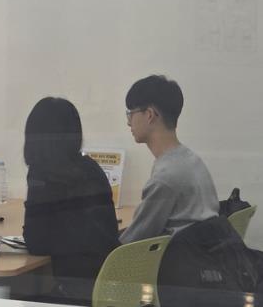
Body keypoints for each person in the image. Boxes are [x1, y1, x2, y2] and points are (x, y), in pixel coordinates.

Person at [22, 97, 119, 305]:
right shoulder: (91, 167)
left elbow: (35, 242)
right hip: (106, 287)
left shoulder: (43, 174)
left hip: (76, 293)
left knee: (15, 296)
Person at [120, 75, 219, 244]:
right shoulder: (191, 160)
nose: (129, 123)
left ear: (149, 115)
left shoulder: (166, 176)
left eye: (131, 114)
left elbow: (132, 242)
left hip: (180, 257)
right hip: (203, 252)